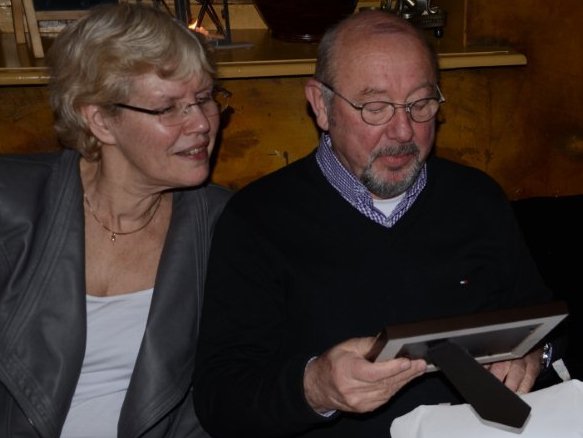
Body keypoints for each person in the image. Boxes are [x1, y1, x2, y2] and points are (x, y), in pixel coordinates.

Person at [193, 9, 553, 438]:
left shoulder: (477, 198)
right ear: (321, 106)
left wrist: (533, 357)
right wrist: (315, 388)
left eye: (421, 103)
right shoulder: (257, 219)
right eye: (376, 107)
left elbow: (545, 322)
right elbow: (220, 402)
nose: (403, 130)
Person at [0, 3, 230, 437]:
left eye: (203, 98)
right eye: (168, 109)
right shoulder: (10, 207)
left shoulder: (224, 228)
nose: (201, 123)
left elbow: (225, 397)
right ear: (101, 119)